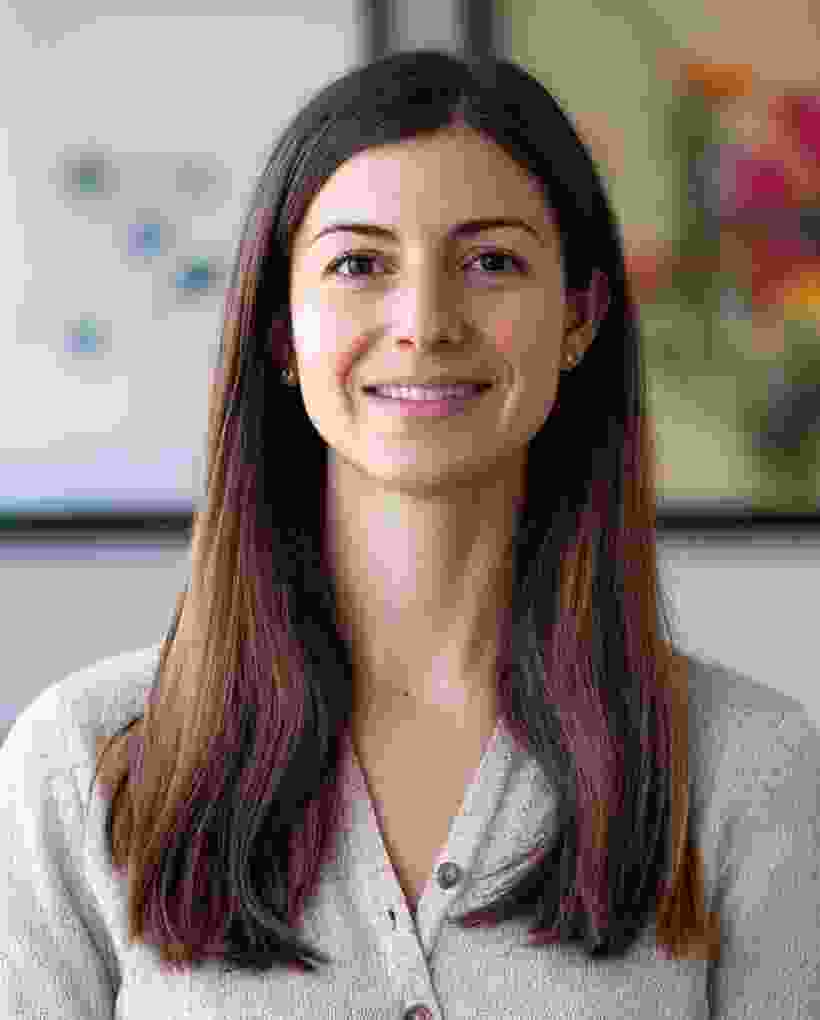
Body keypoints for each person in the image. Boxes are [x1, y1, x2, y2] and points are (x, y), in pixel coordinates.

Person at [1, 47, 818, 1019]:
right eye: (359, 264)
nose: (425, 322)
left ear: (579, 316)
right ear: (280, 328)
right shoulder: (81, 764)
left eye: (491, 263)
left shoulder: (748, 770)